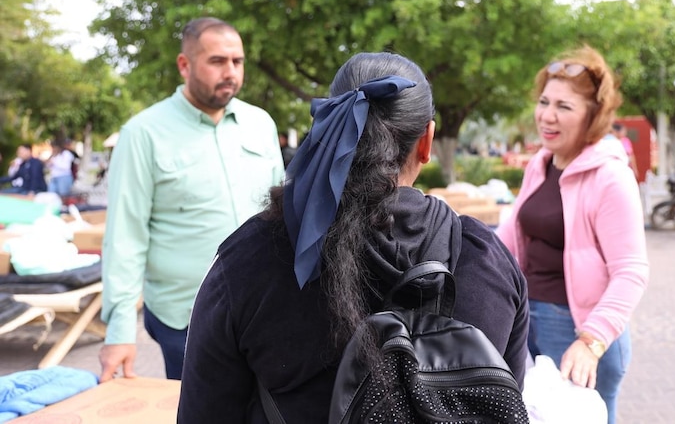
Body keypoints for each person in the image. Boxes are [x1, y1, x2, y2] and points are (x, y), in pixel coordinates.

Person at [177, 52, 529, 422]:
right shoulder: (488, 259)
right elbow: (507, 399)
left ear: (328, 129)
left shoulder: (250, 259)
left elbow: (203, 411)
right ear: (427, 141)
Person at [99, 17, 285, 382]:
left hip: (262, 309)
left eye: (238, 61)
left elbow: (280, 215)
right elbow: (124, 236)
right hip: (183, 318)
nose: (230, 71)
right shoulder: (143, 134)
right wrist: (119, 331)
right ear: (184, 65)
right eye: (217, 61)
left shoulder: (260, 124)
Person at [494, 45, 649, 424]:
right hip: (526, 319)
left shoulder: (610, 176)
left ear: (593, 116)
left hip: (578, 328)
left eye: (564, 107)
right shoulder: (541, 164)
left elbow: (631, 271)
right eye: (545, 101)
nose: (547, 115)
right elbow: (510, 237)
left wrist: (590, 342)